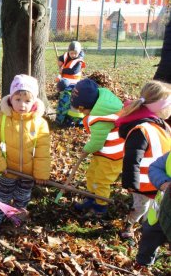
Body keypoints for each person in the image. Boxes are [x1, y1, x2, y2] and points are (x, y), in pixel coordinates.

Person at [0, 74, 51, 228]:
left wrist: (41, 172)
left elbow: (43, 148)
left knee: (23, 196)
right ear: (10, 99)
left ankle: (17, 217)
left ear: (34, 101)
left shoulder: (39, 123)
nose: (22, 105)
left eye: (27, 101)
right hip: (7, 169)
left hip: (28, 171)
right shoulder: (1, 120)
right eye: (18, 100)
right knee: (3, 195)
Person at [115, 81, 171, 239]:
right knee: (140, 206)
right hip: (143, 183)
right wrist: (130, 184)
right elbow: (132, 159)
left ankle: (147, 227)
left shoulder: (162, 126)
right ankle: (129, 226)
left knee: (154, 208)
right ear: (160, 107)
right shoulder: (142, 130)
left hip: (160, 181)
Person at [71, 78, 125, 217]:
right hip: (102, 153)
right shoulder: (102, 102)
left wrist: (86, 149)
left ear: (84, 107)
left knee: (101, 180)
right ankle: (90, 197)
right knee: (92, 174)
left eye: (82, 111)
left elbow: (97, 143)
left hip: (112, 156)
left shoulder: (100, 119)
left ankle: (100, 207)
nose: (82, 114)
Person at [135, 152, 170, 266]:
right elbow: (155, 168)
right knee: (150, 237)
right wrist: (164, 182)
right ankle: (143, 264)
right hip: (159, 213)